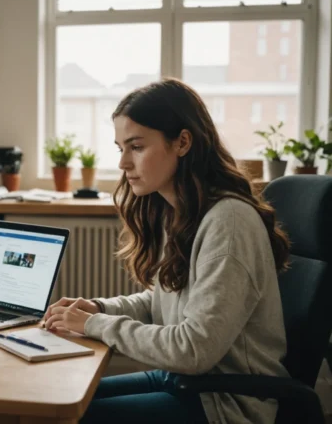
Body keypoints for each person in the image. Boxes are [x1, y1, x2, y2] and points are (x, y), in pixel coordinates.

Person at [43, 78, 290, 424]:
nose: (124, 164)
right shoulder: (181, 211)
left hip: (225, 403)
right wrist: (99, 308)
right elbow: (161, 301)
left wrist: (94, 324)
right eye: (120, 148)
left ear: (183, 142)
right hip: (185, 383)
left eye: (137, 147)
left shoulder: (228, 222)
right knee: (52, 403)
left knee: (67, 418)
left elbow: (193, 349)